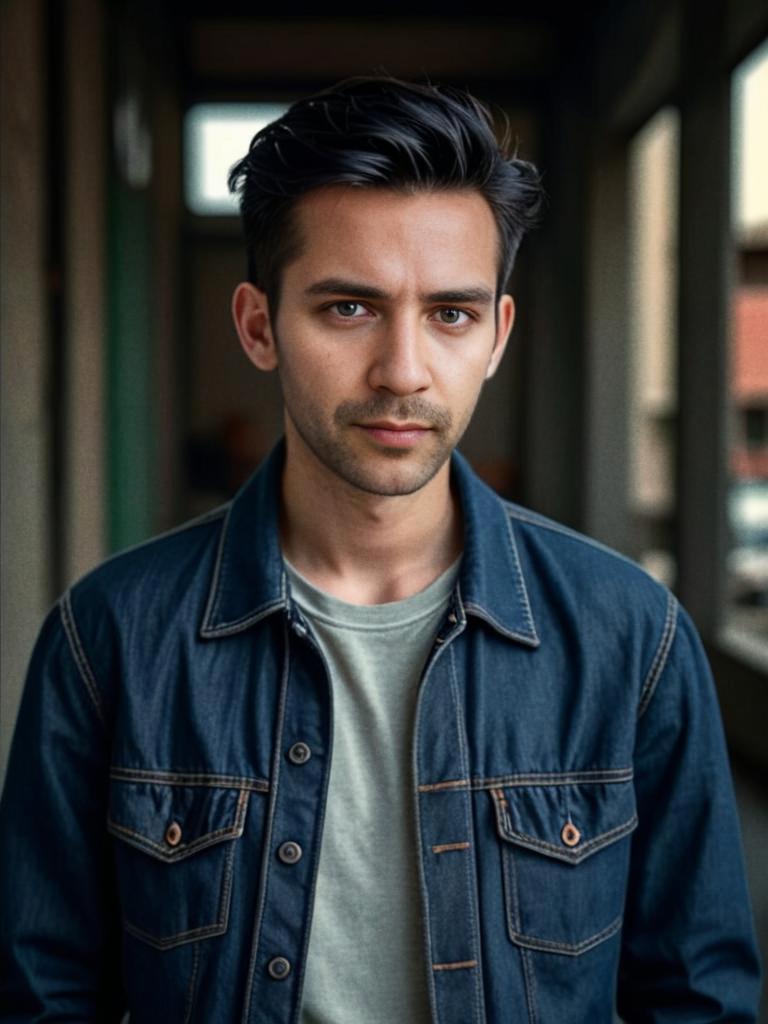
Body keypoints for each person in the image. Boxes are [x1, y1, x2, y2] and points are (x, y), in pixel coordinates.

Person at [0, 77, 760, 1024]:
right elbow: (41, 998)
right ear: (258, 325)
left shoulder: (631, 637)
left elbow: (699, 1000)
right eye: (349, 309)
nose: (404, 370)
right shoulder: (107, 636)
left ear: (495, 336)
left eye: (450, 314)